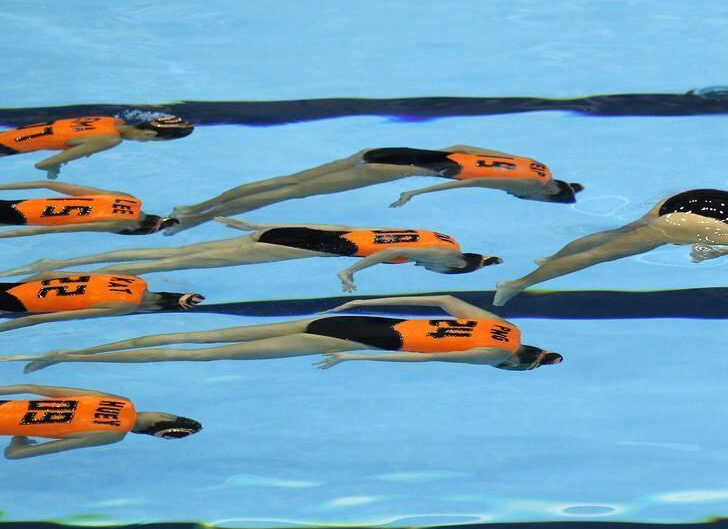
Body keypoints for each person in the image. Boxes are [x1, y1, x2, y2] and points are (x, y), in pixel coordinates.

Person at [2, 295, 563, 374]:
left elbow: (439, 301)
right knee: (201, 356)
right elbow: (419, 362)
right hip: (350, 341)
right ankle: (65, 353)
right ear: (515, 362)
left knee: (195, 338)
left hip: (349, 320)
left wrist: (356, 302)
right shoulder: (492, 352)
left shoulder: (502, 326)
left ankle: (69, 343)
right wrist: (350, 360)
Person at [0, 217, 502, 292]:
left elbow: (346, 225)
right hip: (298, 245)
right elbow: (356, 247)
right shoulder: (434, 248)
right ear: (453, 262)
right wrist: (350, 270)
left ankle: (56, 266)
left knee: (178, 255)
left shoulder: (427, 241)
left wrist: (257, 224)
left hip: (294, 233)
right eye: (443, 269)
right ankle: (49, 270)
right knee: (177, 264)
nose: (435, 269)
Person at [167, 145, 583, 233]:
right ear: (548, 192)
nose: (519, 196)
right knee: (293, 193)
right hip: (399, 167)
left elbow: (461, 150)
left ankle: (197, 206)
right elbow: (467, 182)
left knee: (289, 180)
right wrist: (413, 190)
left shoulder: (535, 164)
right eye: (526, 199)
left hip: (389, 151)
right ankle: (197, 217)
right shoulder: (532, 182)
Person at [494, 189, 728, 305]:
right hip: (715, 224)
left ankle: (552, 257)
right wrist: (718, 251)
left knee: (621, 232)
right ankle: (516, 284)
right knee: (601, 255)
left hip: (708, 200)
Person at [0, 383, 201, 459]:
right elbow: (15, 454)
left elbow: (29, 387)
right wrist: (19, 437)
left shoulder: (119, 402)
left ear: (164, 416)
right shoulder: (111, 435)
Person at [0, 115, 193, 178]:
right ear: (149, 134)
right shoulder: (109, 139)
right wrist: (54, 165)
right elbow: (42, 165)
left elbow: (64, 135)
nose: (146, 142)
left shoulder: (109, 121)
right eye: (151, 141)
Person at [0, 273, 203, 332]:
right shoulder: (124, 306)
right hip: (17, 302)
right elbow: (42, 319)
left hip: (13, 288)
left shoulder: (133, 279)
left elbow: (47, 274)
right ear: (156, 308)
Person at [0, 180, 178, 237]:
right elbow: (55, 228)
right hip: (15, 216)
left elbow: (47, 184)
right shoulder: (118, 224)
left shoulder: (125, 198)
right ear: (132, 230)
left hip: (15, 204)